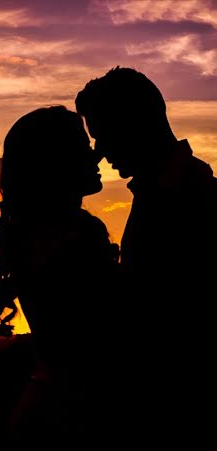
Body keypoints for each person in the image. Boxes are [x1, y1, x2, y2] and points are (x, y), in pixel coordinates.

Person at [75, 67, 217, 439]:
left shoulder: (195, 198)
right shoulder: (167, 191)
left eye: (103, 136)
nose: (101, 154)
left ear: (135, 123)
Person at [0, 106, 119, 443]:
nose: (97, 155)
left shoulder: (59, 231)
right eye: (84, 148)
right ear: (56, 162)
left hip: (53, 407)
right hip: (68, 418)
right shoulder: (68, 241)